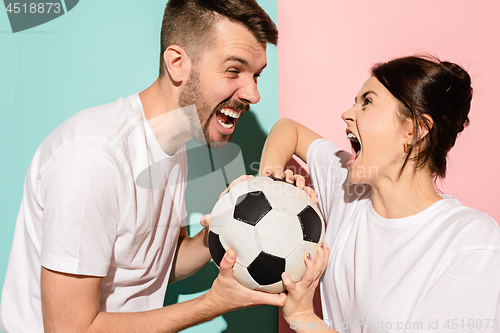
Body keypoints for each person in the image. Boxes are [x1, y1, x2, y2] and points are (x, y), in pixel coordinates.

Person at [0, 0, 285, 332]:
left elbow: (155, 265)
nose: (253, 94)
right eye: (234, 70)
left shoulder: (178, 143)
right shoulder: (93, 160)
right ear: (177, 63)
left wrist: (226, 230)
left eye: (257, 75)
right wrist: (211, 304)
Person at [260, 56, 500, 332]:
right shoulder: (350, 193)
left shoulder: (471, 239)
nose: (347, 113)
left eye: (367, 102)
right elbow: (288, 129)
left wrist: (304, 317)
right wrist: (269, 189)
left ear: (414, 129)